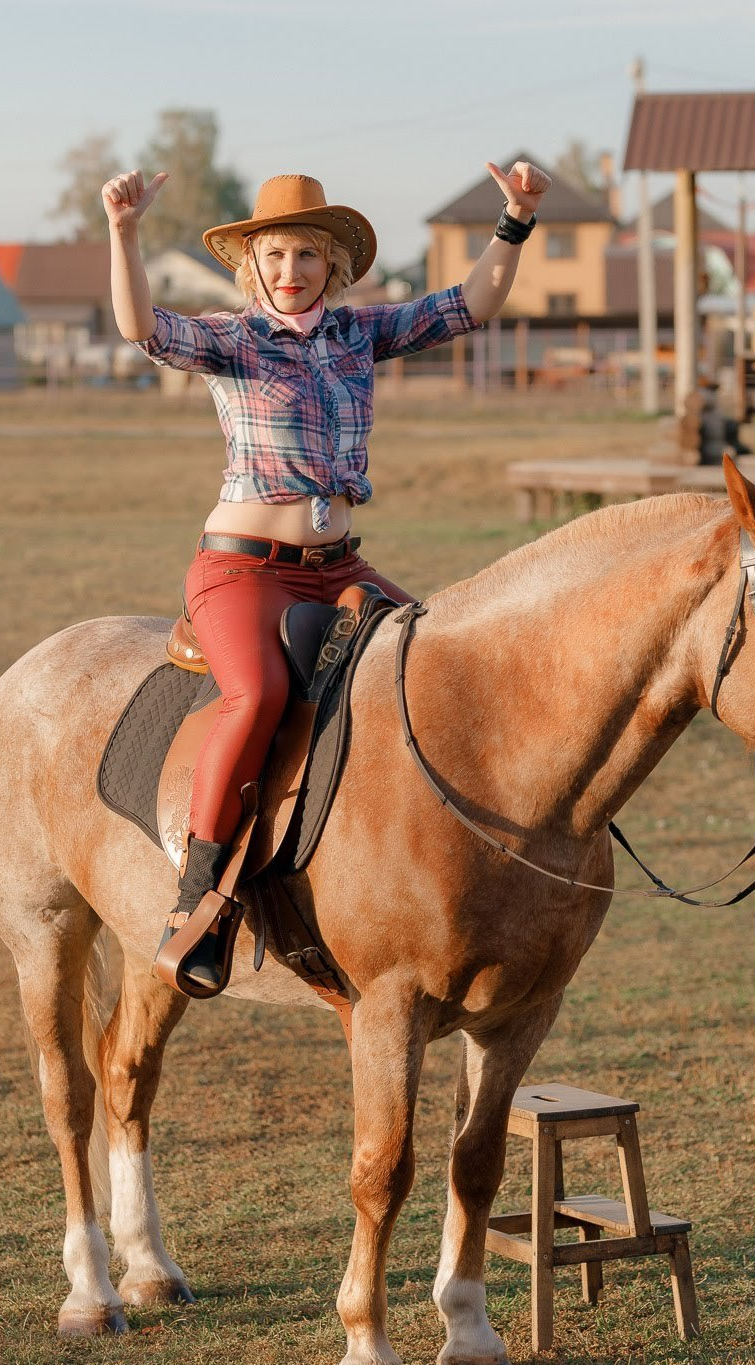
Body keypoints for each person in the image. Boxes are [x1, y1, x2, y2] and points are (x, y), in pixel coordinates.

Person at [103, 159, 552, 994]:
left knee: (443, 669)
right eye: (273, 256)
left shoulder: (360, 334)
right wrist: (125, 232)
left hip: (338, 565)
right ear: (252, 266)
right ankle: (198, 897)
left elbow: (472, 304)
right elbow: (140, 327)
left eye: (306, 256)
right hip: (242, 571)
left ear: (331, 266)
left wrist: (514, 219)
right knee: (260, 697)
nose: (289, 271)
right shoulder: (230, 341)